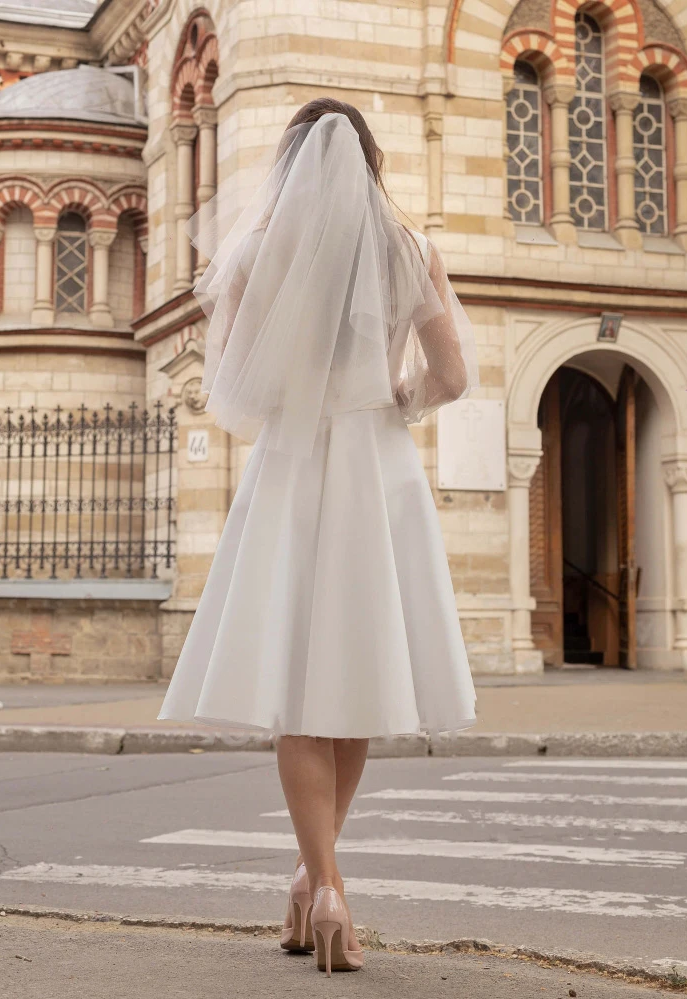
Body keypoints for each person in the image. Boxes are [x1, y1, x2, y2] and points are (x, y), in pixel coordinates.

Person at [158, 98, 479, 977]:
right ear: (370, 164)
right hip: (378, 473)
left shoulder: (263, 251)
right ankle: (320, 878)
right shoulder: (409, 251)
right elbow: (452, 373)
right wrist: (397, 400)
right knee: (356, 678)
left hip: (295, 470)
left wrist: (296, 400)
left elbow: (232, 389)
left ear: (291, 167)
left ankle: (321, 883)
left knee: (299, 686)